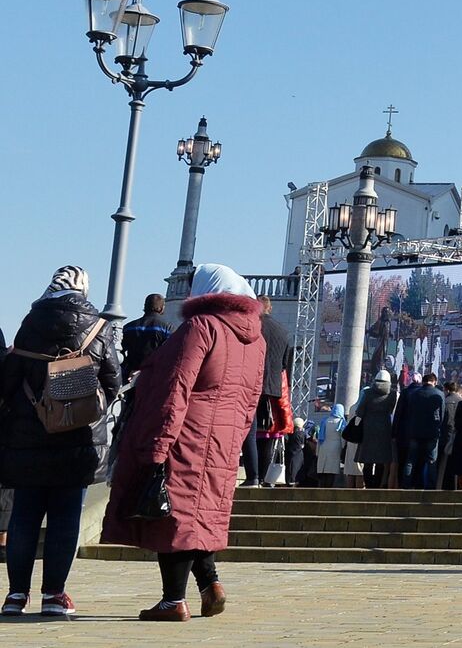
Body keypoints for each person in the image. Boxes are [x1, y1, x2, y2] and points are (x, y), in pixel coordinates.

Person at [102, 264, 264, 622]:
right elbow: (251, 398)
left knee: (173, 517)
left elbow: (176, 386)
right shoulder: (256, 339)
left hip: (186, 434)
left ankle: (173, 600)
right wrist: (235, 439)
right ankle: (211, 585)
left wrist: (157, 444)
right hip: (222, 440)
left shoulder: (200, 327)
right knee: (200, 517)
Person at [0, 266, 119, 620]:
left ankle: (15, 596)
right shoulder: (99, 327)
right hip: (78, 439)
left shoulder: (29, 324)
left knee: (24, 516)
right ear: (83, 289)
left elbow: (7, 383)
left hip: (28, 438)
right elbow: (112, 381)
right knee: (66, 518)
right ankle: (54, 595)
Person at [241, 297, 293, 488]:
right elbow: (285, 366)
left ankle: (252, 476)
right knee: (269, 434)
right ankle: (263, 477)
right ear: (271, 308)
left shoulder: (252, 327)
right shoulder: (283, 331)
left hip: (250, 385)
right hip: (273, 389)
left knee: (249, 431)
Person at [349, 370, 397, 488]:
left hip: (368, 429)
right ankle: (377, 485)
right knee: (381, 460)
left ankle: (369, 484)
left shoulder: (368, 393)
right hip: (385, 429)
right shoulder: (392, 394)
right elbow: (391, 410)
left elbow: (360, 411)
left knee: (367, 460)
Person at [120, 294, 172, 379]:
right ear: (162, 308)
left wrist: (127, 368)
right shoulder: (168, 328)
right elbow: (169, 354)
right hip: (154, 376)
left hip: (130, 375)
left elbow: (119, 351)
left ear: (145, 306)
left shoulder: (129, 327)